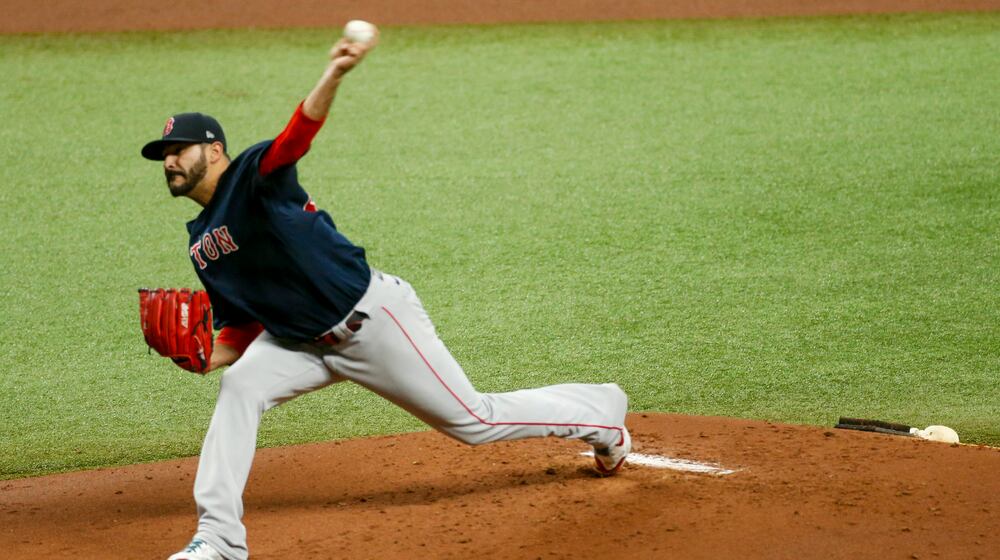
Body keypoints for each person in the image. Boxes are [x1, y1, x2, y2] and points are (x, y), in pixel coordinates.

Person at [141, 36, 631, 560]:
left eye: (180, 149)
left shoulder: (254, 176)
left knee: (474, 421)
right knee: (240, 386)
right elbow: (243, 326)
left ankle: (600, 412)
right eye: (164, 154)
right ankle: (218, 539)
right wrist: (205, 357)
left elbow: (296, 136)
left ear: (215, 150)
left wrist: (334, 73)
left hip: (371, 321)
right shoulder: (202, 244)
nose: (170, 160)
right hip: (299, 343)